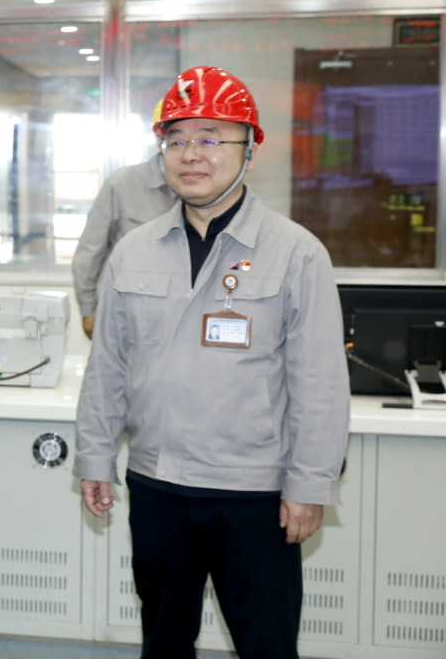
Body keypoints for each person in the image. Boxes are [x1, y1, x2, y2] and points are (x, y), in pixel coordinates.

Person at [74, 66, 350, 659]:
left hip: (254, 493)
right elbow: (108, 367)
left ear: (249, 150)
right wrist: (94, 455)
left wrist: (310, 484)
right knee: (164, 641)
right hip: (158, 485)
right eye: (176, 140)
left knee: (266, 644)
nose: (190, 154)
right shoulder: (134, 250)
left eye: (210, 137)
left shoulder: (296, 252)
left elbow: (320, 383)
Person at [71, 150, 175, 340]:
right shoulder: (122, 183)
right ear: (161, 140)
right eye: (178, 141)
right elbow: (90, 250)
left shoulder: (211, 185)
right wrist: (89, 310)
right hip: (124, 314)